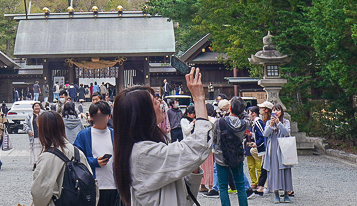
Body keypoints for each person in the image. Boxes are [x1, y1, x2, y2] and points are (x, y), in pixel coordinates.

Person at [112, 67, 213, 206]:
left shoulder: (147, 148)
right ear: (143, 114)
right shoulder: (143, 154)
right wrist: (199, 98)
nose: (160, 104)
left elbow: (185, 197)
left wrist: (190, 166)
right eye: (155, 102)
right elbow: (199, 146)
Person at [30, 110, 96, 206]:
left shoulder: (48, 156)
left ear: (43, 131)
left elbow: (39, 193)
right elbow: (91, 182)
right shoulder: (77, 152)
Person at [74, 100, 116, 206]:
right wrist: (93, 162)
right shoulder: (84, 135)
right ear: (91, 117)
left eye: (104, 115)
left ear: (109, 116)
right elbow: (76, 159)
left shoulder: (115, 134)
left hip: (114, 186)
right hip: (92, 186)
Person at [212, 97, 250, 206]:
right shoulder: (244, 123)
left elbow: (215, 139)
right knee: (240, 186)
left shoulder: (219, 122)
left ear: (230, 108)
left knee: (223, 187)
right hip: (237, 155)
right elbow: (248, 118)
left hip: (221, 156)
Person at [262, 104, 293, 203]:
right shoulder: (268, 122)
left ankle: (286, 193)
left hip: (283, 149)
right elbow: (265, 134)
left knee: (285, 171)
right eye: (275, 110)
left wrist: (279, 123)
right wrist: (271, 125)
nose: (277, 112)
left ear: (281, 112)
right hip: (273, 149)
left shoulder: (285, 122)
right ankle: (276, 193)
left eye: (278, 110)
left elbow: (286, 133)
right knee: (274, 171)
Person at [244, 108, 262, 192]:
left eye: (250, 113)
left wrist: (252, 134)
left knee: (259, 165)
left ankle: (260, 182)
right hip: (248, 145)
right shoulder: (247, 122)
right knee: (250, 166)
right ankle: (254, 181)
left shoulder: (258, 122)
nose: (249, 115)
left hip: (256, 145)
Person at [25, 101, 44, 169]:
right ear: (33, 108)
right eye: (35, 106)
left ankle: (42, 164)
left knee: (42, 150)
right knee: (35, 151)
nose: (36, 107)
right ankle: (35, 163)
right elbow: (25, 124)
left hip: (43, 136)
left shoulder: (43, 115)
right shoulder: (29, 116)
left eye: (38, 106)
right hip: (34, 136)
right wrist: (29, 131)